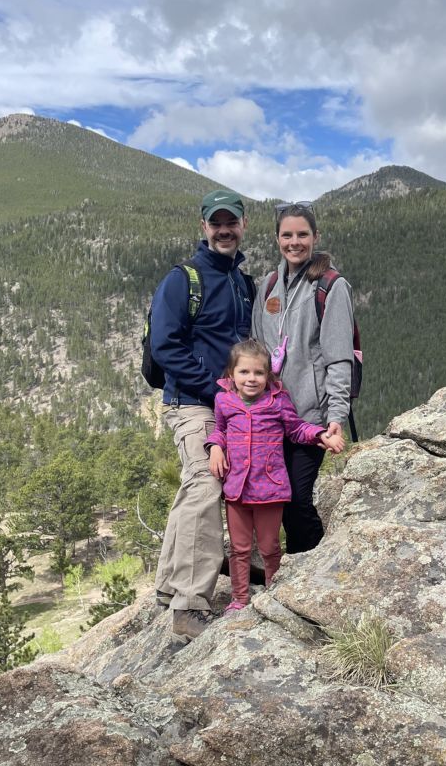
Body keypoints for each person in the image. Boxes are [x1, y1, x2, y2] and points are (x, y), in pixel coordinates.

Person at [150, 188, 253, 643]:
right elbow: (164, 346)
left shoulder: (244, 283)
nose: (224, 230)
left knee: (198, 483)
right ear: (204, 227)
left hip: (229, 405)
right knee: (208, 482)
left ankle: (169, 584)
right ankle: (189, 605)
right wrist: (216, 390)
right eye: (217, 223)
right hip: (192, 403)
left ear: (243, 226)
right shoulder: (183, 278)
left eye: (231, 222)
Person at [206, 339, 343, 612]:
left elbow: (295, 429)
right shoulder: (224, 400)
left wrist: (319, 434)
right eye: (244, 372)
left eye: (259, 372)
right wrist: (214, 448)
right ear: (231, 374)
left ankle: (272, 592)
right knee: (239, 548)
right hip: (237, 488)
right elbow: (220, 429)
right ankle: (240, 599)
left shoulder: (277, 401)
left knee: (269, 547)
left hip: (270, 488)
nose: (252, 378)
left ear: (268, 375)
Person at [251, 201, 354, 554]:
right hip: (270, 416)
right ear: (277, 238)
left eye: (302, 234)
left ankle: (310, 570)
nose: (294, 242)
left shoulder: (330, 286)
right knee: (275, 501)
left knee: (296, 500)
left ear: (315, 237)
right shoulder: (267, 287)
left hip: (311, 416)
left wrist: (336, 416)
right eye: (287, 235)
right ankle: (296, 568)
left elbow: (339, 358)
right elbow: (256, 352)